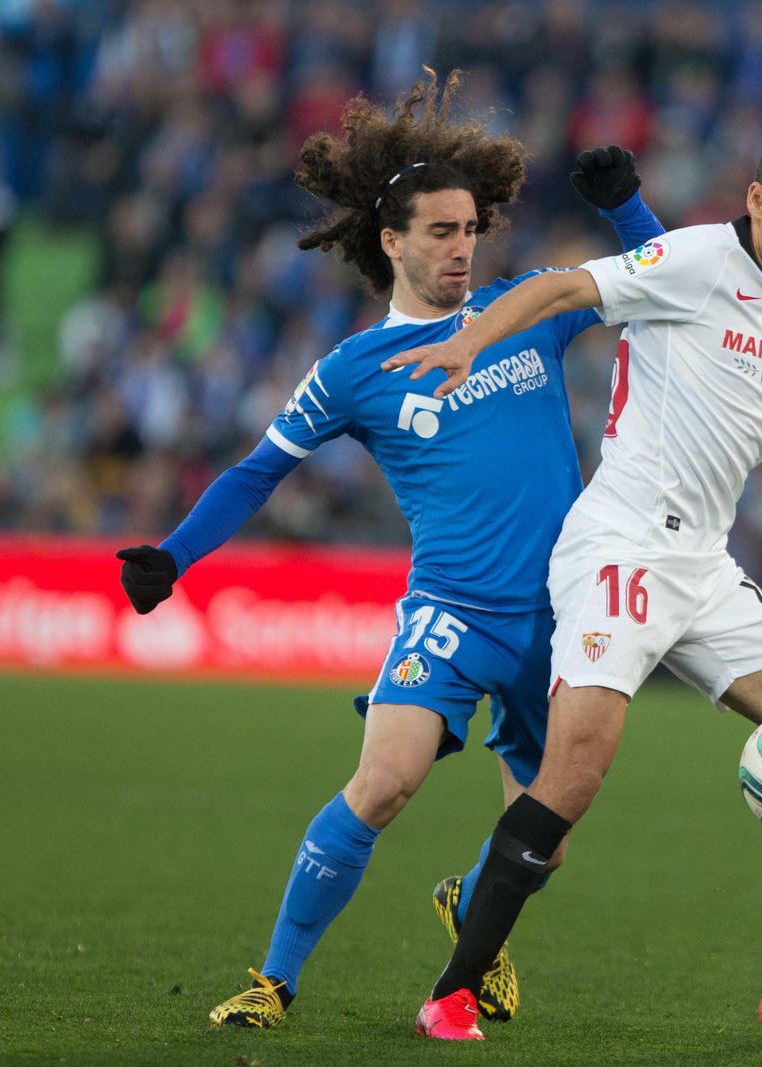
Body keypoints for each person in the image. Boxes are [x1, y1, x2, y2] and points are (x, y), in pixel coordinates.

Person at [388, 130, 762, 1048]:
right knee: (575, 775)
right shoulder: (691, 258)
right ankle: (455, 987)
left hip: (703, 565)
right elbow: (563, 288)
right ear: (756, 202)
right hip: (621, 551)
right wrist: (467, 341)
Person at [113, 72, 665, 1027]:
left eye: (470, 229)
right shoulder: (353, 373)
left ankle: (471, 905)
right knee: (384, 781)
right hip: (452, 612)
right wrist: (175, 554)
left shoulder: (527, 308)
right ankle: (275, 981)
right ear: (392, 240)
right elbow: (256, 471)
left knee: (548, 842)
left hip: (563, 620)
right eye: (441, 232)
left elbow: (658, 281)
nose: (461, 248)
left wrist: (628, 208)